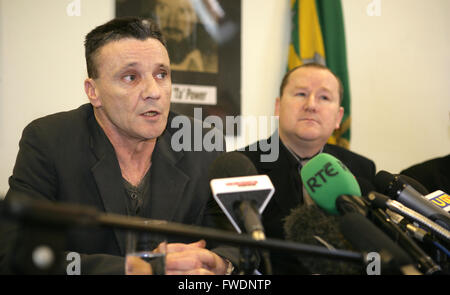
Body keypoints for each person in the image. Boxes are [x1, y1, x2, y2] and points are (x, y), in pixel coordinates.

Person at [0, 17, 237, 275]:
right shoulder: (49, 141)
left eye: (161, 74)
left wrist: (220, 263)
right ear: (94, 92)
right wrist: (129, 270)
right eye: (131, 77)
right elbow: (16, 253)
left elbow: (237, 238)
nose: (153, 91)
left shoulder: (202, 142)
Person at [240, 63, 376, 274]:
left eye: (324, 97)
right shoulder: (242, 165)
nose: (311, 105)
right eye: (301, 93)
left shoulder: (362, 170)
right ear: (278, 107)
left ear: (339, 117)